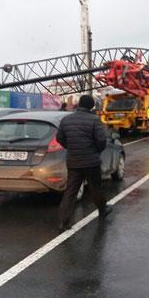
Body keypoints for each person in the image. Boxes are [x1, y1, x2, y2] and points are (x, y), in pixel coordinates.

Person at [57, 95, 111, 232]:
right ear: (92, 106)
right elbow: (101, 141)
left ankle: (63, 222)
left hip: (74, 161)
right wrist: (96, 151)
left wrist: (71, 147)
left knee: (71, 191)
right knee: (95, 187)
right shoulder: (94, 120)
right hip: (91, 161)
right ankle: (103, 210)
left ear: (79, 104)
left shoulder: (66, 119)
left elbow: (60, 138)